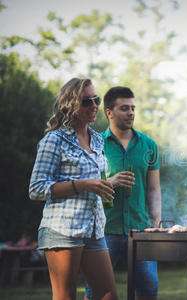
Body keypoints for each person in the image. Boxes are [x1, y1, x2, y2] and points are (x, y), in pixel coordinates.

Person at [29, 78, 118, 300]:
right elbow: (37, 188)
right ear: (71, 104)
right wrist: (83, 185)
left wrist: (107, 183)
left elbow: (95, 178)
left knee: (108, 295)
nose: (94, 105)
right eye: (87, 101)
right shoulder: (54, 140)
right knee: (65, 296)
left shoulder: (97, 140)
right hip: (62, 229)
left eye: (96, 99)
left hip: (94, 229)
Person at [84, 86, 161, 300]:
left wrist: (155, 222)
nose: (131, 113)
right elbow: (84, 184)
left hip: (140, 228)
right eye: (124, 108)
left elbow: (154, 189)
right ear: (109, 112)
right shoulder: (94, 144)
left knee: (148, 288)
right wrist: (110, 182)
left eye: (133, 108)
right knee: (96, 291)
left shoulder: (149, 145)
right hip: (104, 228)